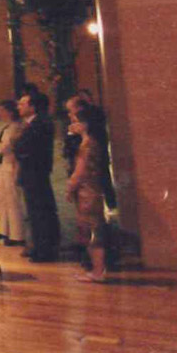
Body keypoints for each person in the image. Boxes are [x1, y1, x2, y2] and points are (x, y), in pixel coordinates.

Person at [66, 104, 112, 282]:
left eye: (77, 121)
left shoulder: (87, 145)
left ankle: (98, 271)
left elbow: (80, 172)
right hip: (92, 190)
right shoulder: (91, 142)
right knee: (93, 229)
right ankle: (97, 269)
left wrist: (70, 187)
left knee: (92, 231)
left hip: (87, 192)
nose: (74, 124)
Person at [15, 89, 60, 261]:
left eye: (22, 104)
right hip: (33, 172)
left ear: (32, 107)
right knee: (36, 211)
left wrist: (18, 147)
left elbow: (26, 148)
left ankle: (44, 250)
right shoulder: (36, 123)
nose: (18, 107)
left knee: (39, 211)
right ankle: (39, 246)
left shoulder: (39, 124)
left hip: (34, 172)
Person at [0, 99, 28, 247]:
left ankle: (17, 234)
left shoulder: (17, 128)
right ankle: (4, 230)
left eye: (3, 111)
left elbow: (5, 148)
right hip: (5, 166)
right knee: (3, 199)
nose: (0, 113)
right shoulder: (9, 127)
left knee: (13, 201)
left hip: (12, 166)